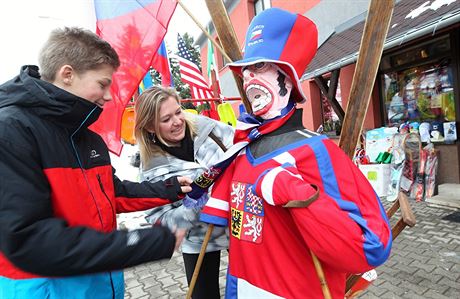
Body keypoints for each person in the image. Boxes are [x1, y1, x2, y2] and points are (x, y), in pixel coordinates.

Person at [197, 8, 393, 298]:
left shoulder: (318, 152)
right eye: (245, 69)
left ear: (287, 77)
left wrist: (295, 192)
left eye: (261, 65)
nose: (249, 76)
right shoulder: (241, 150)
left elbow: (371, 245)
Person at [0, 27, 192, 299]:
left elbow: (113, 193)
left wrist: (169, 188)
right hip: (49, 290)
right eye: (102, 84)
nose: (109, 96)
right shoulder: (12, 131)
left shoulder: (88, 138)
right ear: (67, 74)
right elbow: (28, 240)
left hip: (100, 285)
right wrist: (144, 242)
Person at [134, 86, 234, 299]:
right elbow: (159, 219)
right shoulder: (152, 167)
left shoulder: (210, 129)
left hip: (238, 229)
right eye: (166, 119)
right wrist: (195, 208)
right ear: (151, 126)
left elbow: (243, 153)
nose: (177, 121)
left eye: (178, 112)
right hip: (199, 240)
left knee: (252, 290)